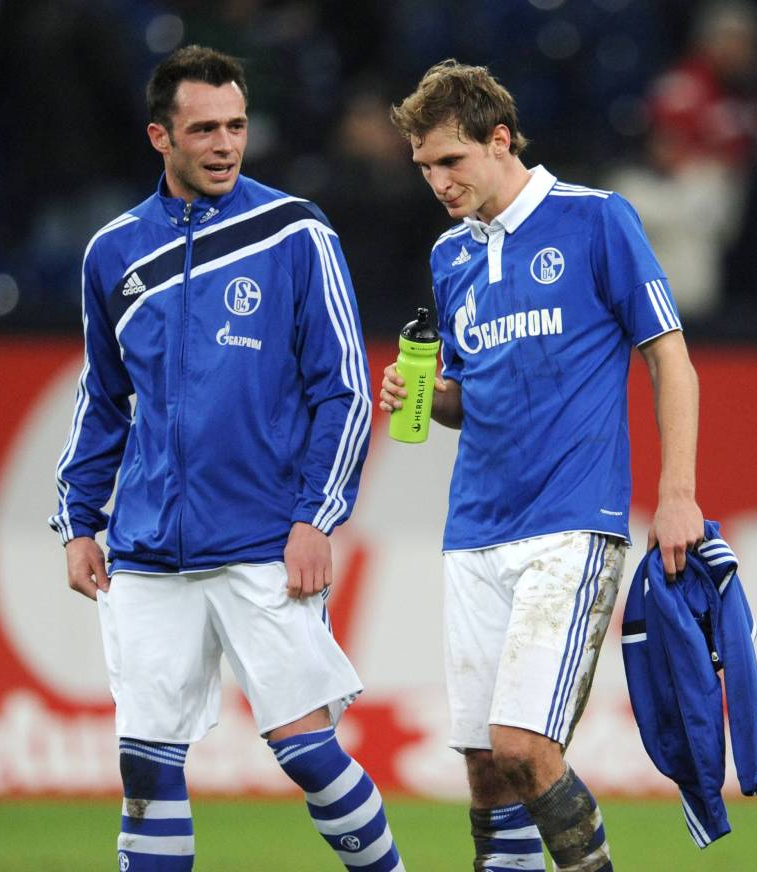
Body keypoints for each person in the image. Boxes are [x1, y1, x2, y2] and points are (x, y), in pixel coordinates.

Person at [49, 45, 402, 872]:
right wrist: (78, 521)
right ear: (160, 137)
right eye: (204, 128)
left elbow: (346, 390)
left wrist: (316, 518)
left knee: (307, 752)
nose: (224, 144)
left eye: (236, 126)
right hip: (146, 550)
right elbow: (104, 396)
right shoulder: (112, 252)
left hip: (261, 540)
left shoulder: (295, 231)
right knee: (146, 768)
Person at [381, 60, 704, 872]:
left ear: (500, 139)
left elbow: (670, 357)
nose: (438, 182)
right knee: (486, 767)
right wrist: (425, 395)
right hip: (475, 529)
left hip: (570, 523)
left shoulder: (596, 220)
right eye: (424, 167)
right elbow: (469, 399)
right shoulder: (451, 256)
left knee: (524, 748)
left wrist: (677, 494)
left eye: (451, 160)